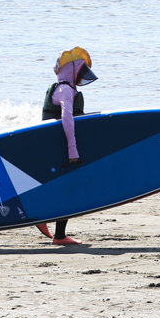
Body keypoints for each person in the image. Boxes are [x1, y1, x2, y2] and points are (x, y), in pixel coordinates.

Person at [37, 47, 98, 245]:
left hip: (56, 147)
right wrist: (73, 150)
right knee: (67, 188)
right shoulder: (65, 90)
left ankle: (57, 232)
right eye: (81, 71)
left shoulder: (62, 88)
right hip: (62, 149)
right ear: (72, 72)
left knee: (65, 188)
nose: (83, 76)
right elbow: (66, 118)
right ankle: (49, 225)